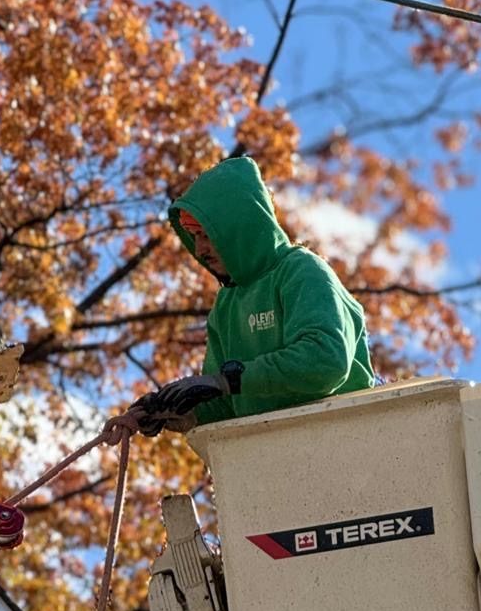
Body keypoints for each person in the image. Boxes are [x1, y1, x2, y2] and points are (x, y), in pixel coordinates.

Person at [134, 154, 375, 436]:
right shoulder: (226, 307)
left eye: (205, 234)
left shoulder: (300, 271)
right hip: (270, 455)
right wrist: (176, 410)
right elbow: (227, 406)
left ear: (238, 226)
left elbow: (326, 360)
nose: (199, 249)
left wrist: (227, 380)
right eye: (193, 236)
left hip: (342, 440)